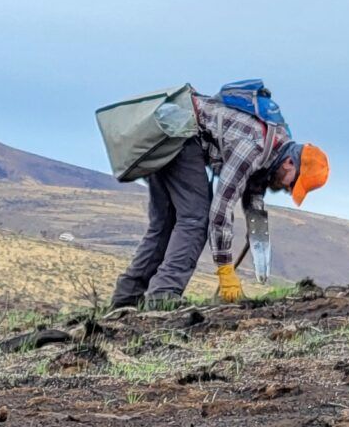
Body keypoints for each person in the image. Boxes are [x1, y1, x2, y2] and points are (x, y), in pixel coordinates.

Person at [111, 91, 328, 310]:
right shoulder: (253, 147)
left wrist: (256, 224)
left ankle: (126, 297)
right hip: (182, 135)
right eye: (294, 183)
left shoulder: (274, 147)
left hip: (169, 129)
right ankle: (163, 295)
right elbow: (221, 209)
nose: (289, 190)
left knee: (165, 223)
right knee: (195, 218)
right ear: (290, 163)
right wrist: (225, 270)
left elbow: (253, 187)